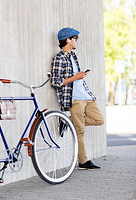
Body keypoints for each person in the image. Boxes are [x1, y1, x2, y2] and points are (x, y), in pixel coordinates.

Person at [50, 27, 104, 170]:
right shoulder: (59, 58)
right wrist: (75, 77)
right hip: (74, 99)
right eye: (75, 39)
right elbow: (55, 82)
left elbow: (76, 77)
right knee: (79, 130)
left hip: (86, 96)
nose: (77, 41)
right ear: (68, 40)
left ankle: (68, 121)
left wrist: (80, 76)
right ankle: (83, 161)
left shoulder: (73, 56)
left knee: (99, 120)